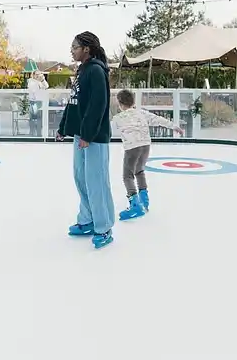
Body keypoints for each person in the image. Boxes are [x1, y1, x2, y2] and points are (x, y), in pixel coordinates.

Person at [56, 31, 115, 249]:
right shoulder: (82, 71)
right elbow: (74, 103)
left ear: (86, 48)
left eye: (74, 47)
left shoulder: (96, 71)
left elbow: (98, 105)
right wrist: (64, 128)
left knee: (97, 182)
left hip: (95, 138)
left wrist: (89, 135)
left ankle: (104, 226)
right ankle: (87, 219)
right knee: (81, 178)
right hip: (82, 136)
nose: (71, 50)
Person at [112, 89, 184, 220]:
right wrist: (174, 126)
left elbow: (107, 130)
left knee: (127, 176)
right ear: (133, 102)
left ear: (120, 104)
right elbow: (158, 120)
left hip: (132, 147)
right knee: (139, 171)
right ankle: (144, 199)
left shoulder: (118, 118)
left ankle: (135, 205)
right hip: (145, 145)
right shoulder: (141, 113)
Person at [27, 71, 49, 136]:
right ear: (33, 75)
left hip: (40, 101)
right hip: (33, 102)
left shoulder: (40, 81)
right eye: (36, 74)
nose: (37, 76)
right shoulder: (31, 82)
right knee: (34, 117)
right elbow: (34, 90)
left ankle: (39, 133)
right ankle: (32, 133)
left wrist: (43, 80)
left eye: (39, 74)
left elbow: (47, 86)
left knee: (39, 118)